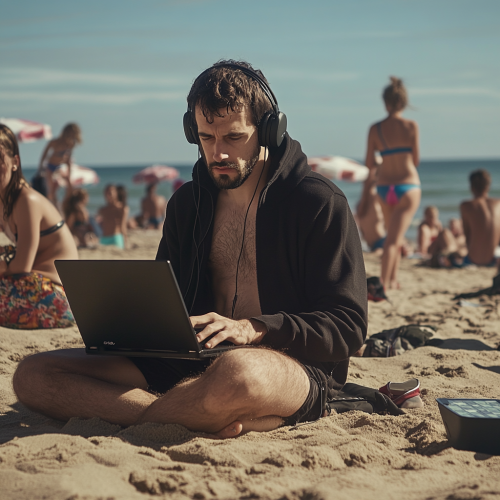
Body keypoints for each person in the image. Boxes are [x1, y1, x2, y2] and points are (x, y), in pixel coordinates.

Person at [13, 61, 367, 437]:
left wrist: (254, 328)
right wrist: (134, 325)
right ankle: (189, 415)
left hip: (291, 364)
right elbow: (167, 303)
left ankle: (180, 410)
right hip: (191, 359)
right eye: (206, 137)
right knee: (34, 375)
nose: (218, 153)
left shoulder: (317, 202)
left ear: (268, 130)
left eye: (233, 137)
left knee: (239, 374)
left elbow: (348, 325)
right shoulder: (186, 205)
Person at [0, 124, 78, 329]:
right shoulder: (4, 201)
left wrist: (3, 265)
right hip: (33, 285)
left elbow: (21, 266)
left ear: (15, 162)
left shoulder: (27, 200)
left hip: (59, 295)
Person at [365, 77, 421, 289]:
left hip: (384, 187)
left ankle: (393, 279)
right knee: (393, 240)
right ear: (404, 102)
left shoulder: (375, 128)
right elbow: (415, 160)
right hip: (408, 186)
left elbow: (370, 163)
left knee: (393, 237)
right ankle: (385, 284)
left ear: (385, 102)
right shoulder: (411, 126)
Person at [459, 170, 500, 268]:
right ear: (488, 186)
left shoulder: (466, 206)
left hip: (474, 259)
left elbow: (468, 236)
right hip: (495, 259)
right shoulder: (498, 204)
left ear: (471, 187)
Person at [38, 123, 82, 205]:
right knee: (51, 190)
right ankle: (53, 204)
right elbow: (44, 155)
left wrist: (69, 173)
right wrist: (40, 168)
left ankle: (65, 204)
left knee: (70, 187)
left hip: (60, 166)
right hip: (51, 166)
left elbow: (69, 160)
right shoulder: (55, 142)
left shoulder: (70, 144)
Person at [355, 168, 386, 253]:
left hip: (380, 242)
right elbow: (370, 189)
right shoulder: (370, 204)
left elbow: (368, 189)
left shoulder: (360, 206)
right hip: (377, 243)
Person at [96, 184, 128, 250]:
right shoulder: (102, 209)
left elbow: (123, 226)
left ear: (116, 193)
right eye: (106, 192)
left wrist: (125, 241)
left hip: (115, 238)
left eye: (110, 192)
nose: (107, 195)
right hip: (103, 238)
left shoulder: (122, 208)